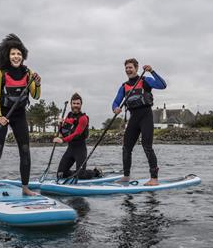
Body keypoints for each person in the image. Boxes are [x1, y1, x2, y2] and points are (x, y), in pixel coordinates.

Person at [0, 34, 41, 197]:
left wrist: (38, 83)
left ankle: (25, 187)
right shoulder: (0, 72)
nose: (16, 57)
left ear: (23, 56)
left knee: (25, 150)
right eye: (13, 54)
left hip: (19, 115)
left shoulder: (28, 72)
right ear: (7, 56)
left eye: (19, 54)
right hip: (2, 114)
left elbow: (36, 96)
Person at [112, 58, 167, 186]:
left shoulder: (145, 80)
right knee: (126, 148)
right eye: (126, 68)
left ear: (136, 68)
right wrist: (115, 108)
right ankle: (126, 176)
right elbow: (116, 101)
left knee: (147, 146)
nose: (128, 70)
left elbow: (163, 85)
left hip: (146, 116)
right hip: (133, 118)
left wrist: (152, 71)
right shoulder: (124, 86)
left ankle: (154, 178)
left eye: (130, 67)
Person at [53, 93, 103, 180]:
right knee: (60, 174)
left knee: (81, 176)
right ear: (71, 104)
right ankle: (75, 173)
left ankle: (96, 172)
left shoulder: (83, 118)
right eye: (74, 103)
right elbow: (63, 132)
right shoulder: (69, 115)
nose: (76, 105)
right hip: (70, 149)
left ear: (81, 105)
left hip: (80, 149)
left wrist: (62, 140)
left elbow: (76, 134)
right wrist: (59, 125)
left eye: (78, 104)